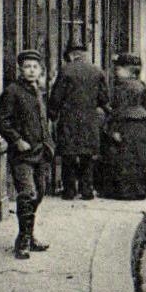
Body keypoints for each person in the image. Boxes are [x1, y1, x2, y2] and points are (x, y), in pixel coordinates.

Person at [0, 50, 53, 259]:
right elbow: (0, 121)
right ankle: (23, 241)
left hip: (40, 152)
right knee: (27, 194)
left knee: (40, 193)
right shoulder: (12, 91)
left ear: (40, 70)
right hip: (22, 155)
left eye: (35, 67)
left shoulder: (38, 91)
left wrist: (48, 144)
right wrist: (17, 140)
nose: (31, 71)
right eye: (27, 67)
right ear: (20, 69)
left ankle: (29, 234)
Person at [49, 43, 111, 200]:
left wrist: (52, 114)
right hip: (90, 119)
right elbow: (104, 99)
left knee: (68, 156)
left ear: (70, 55)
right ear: (84, 54)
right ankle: (87, 190)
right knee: (87, 156)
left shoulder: (65, 70)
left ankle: (69, 191)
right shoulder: (97, 71)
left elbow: (56, 96)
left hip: (69, 119)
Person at [100, 54, 146, 200]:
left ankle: (125, 192)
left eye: (118, 69)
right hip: (143, 123)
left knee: (125, 158)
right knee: (139, 158)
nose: (116, 71)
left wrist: (113, 129)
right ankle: (140, 189)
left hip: (126, 123)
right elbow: (145, 107)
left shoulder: (122, 87)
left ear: (127, 70)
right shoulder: (141, 85)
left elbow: (119, 109)